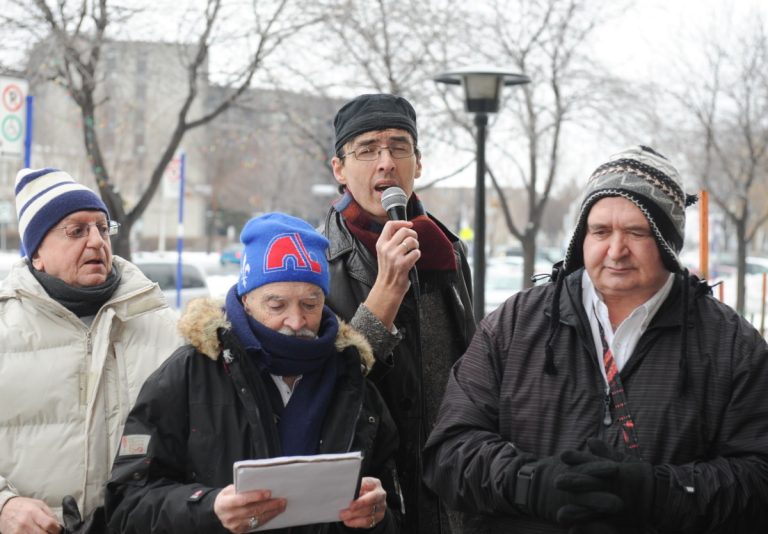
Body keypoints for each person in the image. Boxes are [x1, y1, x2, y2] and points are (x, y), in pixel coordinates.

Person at [423, 145, 768, 533]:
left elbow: (758, 478)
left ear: (668, 242)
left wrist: (657, 494)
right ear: (581, 238)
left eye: (637, 232)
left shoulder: (731, 344)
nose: (616, 251)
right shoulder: (514, 325)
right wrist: (534, 485)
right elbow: (449, 452)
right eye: (600, 231)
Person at [105, 212, 402, 534]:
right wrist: (209, 508)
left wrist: (377, 517)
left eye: (310, 304)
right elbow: (125, 506)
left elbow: (394, 508)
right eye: (277, 306)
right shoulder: (187, 374)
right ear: (246, 300)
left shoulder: (353, 381)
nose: (296, 321)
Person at [321, 94, 476, 534]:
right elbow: (331, 383)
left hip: (450, 485)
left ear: (418, 163)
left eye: (399, 147)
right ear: (339, 169)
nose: (385, 163)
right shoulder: (317, 260)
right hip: (372, 493)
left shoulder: (446, 248)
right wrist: (387, 287)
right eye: (367, 149)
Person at [0, 168, 182, 534]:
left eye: (102, 227)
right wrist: (4, 505)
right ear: (37, 253)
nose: (97, 241)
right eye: (77, 230)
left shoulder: (165, 327)